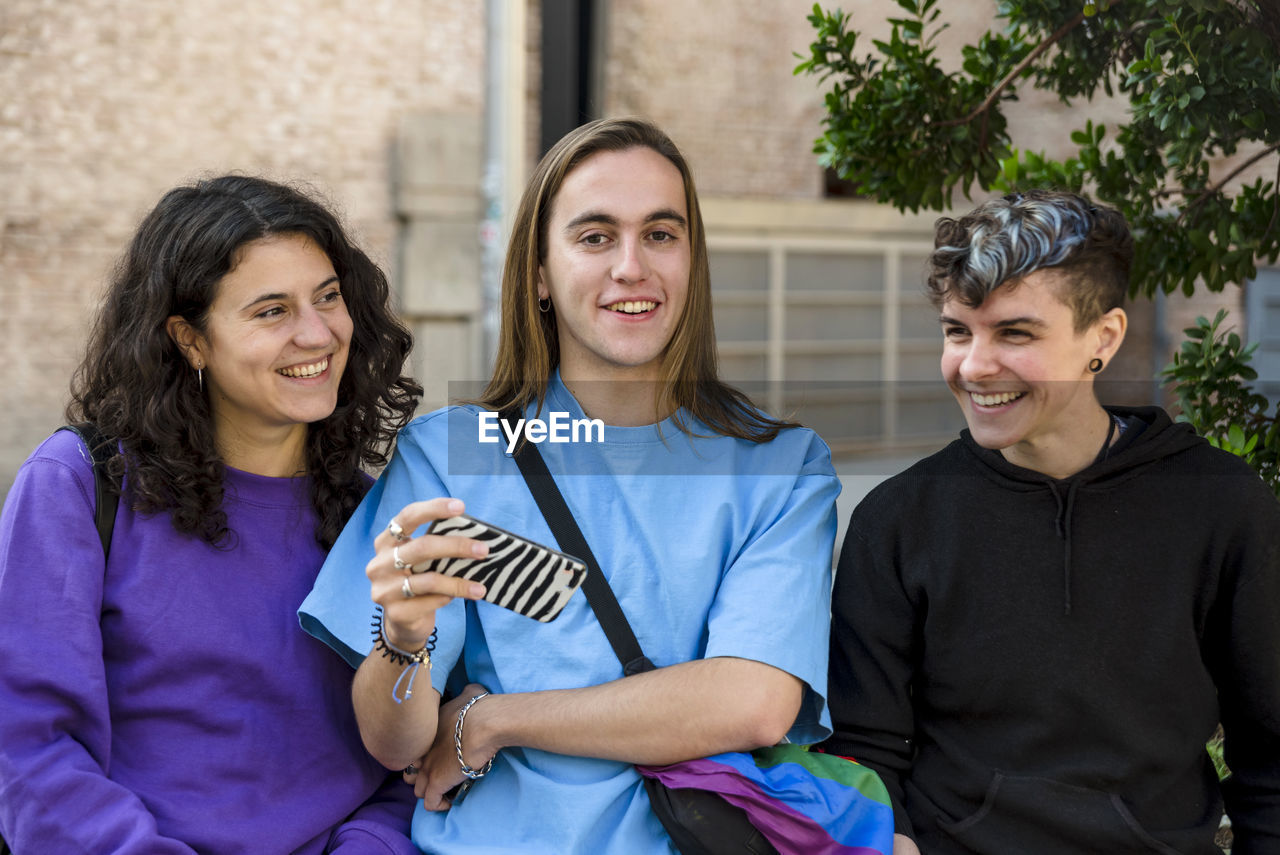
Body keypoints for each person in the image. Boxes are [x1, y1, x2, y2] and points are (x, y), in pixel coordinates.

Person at [299, 117, 840, 854]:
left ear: (692, 259)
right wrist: (401, 640)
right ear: (540, 275)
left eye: (660, 233)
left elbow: (755, 701)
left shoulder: (781, 468)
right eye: (594, 237)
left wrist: (495, 718)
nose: (631, 266)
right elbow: (398, 744)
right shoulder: (453, 455)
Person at [824, 189, 1280, 855]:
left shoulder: (1223, 507)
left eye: (1015, 332)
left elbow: (1271, 754)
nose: (975, 365)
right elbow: (863, 752)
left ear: (1104, 336)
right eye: (958, 330)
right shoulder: (897, 521)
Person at [0, 175, 425, 854]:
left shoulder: (378, 518)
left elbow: (410, 764)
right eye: (271, 311)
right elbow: (27, 744)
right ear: (189, 339)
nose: (316, 334)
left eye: (328, 297)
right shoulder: (77, 487)